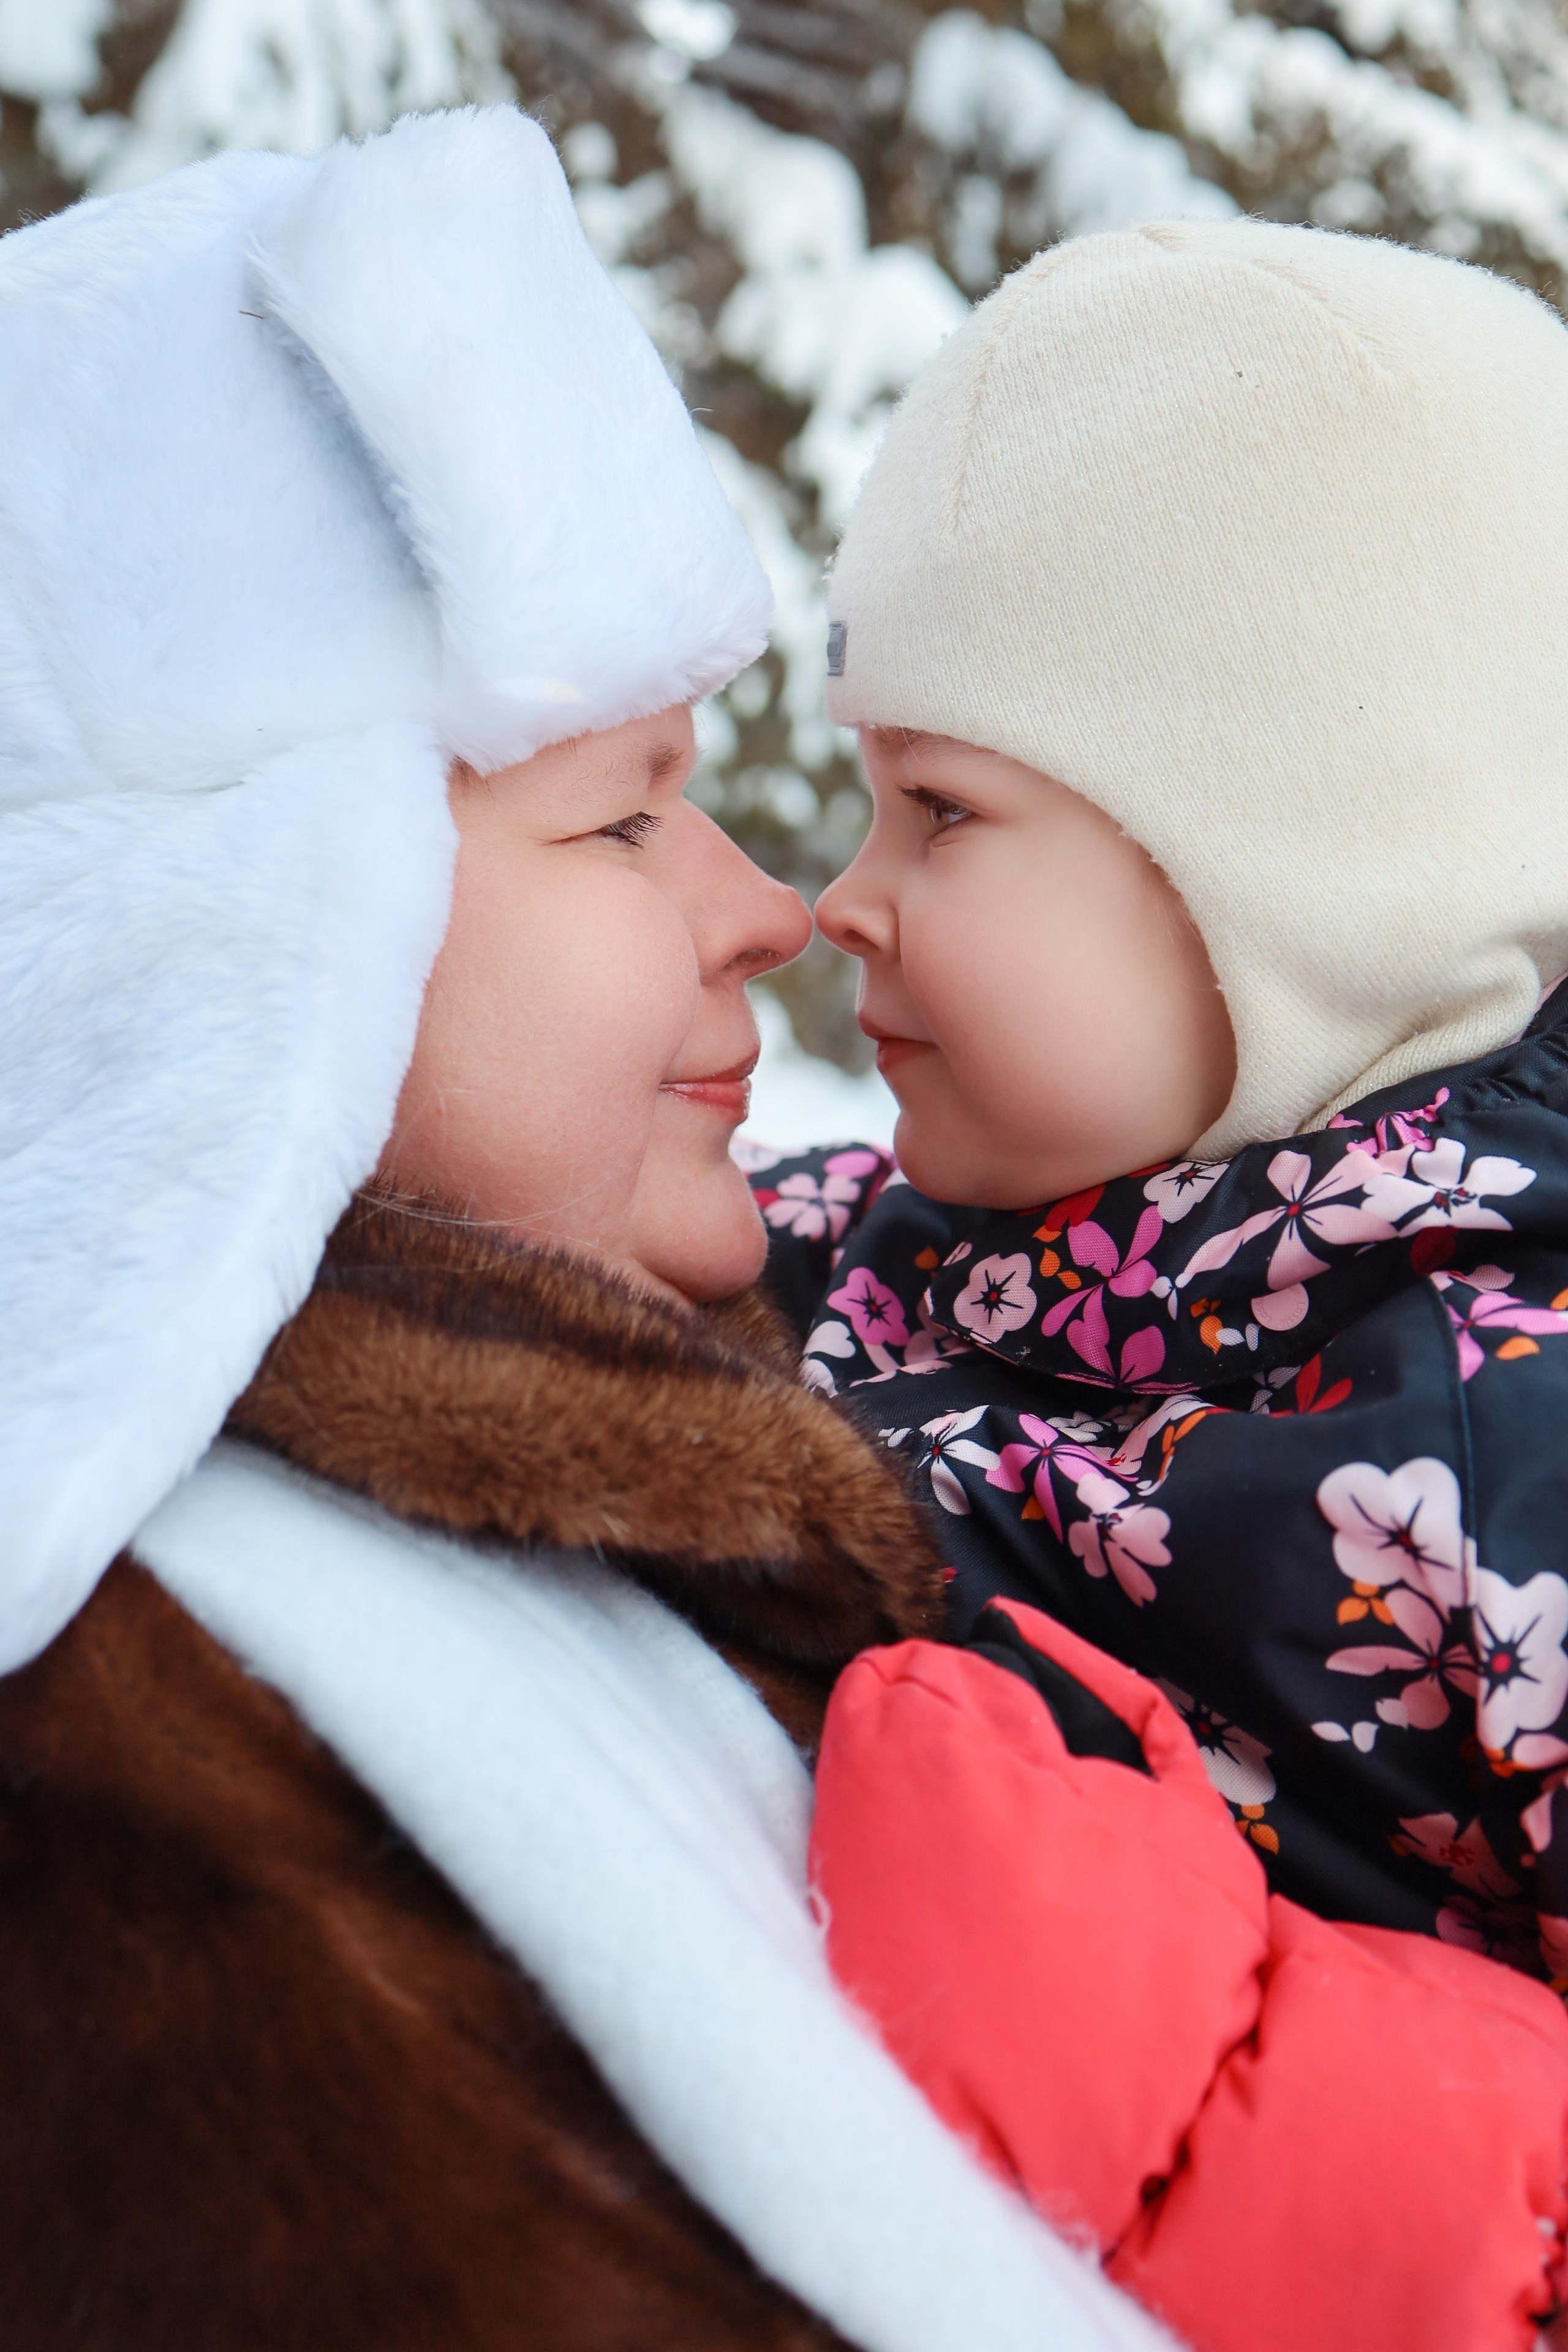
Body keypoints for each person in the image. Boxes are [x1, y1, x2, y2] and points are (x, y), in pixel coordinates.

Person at [0, 108, 1175, 2352]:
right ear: (239, 942)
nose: (769, 906)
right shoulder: (123, 1767)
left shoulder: (659, 1476)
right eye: (625, 816)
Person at [748, 221, 1568, 2351]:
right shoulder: (889, 1245)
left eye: (943, 808)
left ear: (1294, 876)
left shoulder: (1514, 1441)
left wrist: (1266, 2109)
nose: (846, 896)